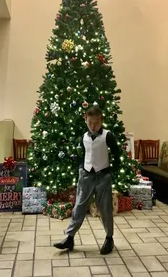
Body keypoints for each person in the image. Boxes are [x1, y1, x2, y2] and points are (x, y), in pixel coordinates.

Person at [54, 105, 120, 254]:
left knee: (105, 207)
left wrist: (112, 171)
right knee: (79, 206)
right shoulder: (83, 137)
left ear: (101, 121)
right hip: (86, 176)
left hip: (103, 175)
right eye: (90, 123)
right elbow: (83, 154)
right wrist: (81, 168)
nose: (93, 126)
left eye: (96, 123)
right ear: (85, 120)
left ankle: (109, 238)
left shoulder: (107, 136)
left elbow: (116, 153)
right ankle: (69, 237)